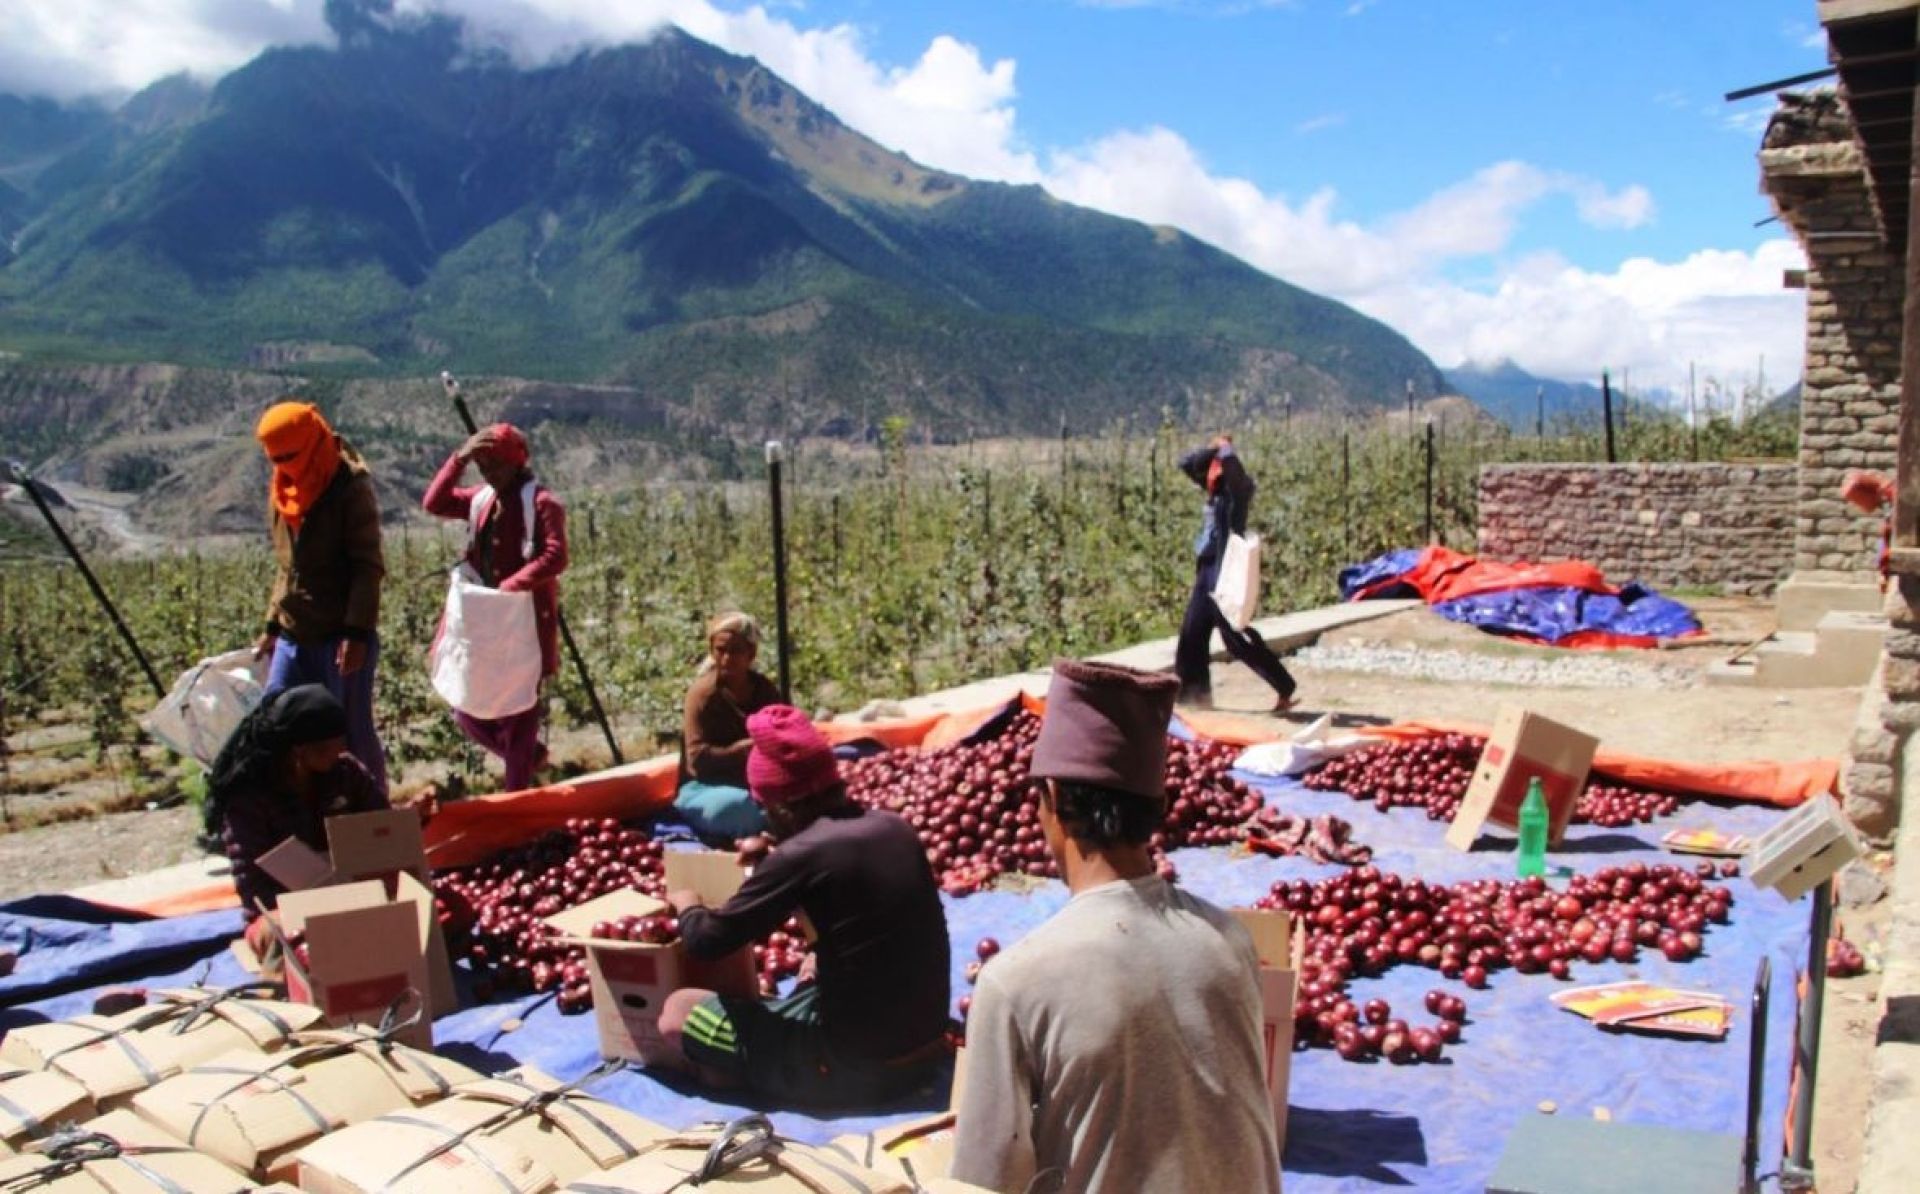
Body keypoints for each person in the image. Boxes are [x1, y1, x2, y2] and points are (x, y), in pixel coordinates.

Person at [950, 659, 1280, 1194]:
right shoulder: (1230, 939)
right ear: (1161, 807)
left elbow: (982, 1181)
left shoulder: (1016, 983)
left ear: (1052, 798)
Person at [659, 705, 952, 1106]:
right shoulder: (894, 827)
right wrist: (779, 858)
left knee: (677, 1014)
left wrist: (688, 904)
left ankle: (739, 1072)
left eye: (764, 808)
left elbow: (706, 942)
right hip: (929, 1044)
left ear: (779, 807)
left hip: (857, 1068)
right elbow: (837, 881)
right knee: (814, 966)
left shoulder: (800, 856)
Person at [422, 423, 569, 792]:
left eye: (496, 466)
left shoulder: (542, 503)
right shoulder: (481, 499)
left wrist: (511, 587)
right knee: (465, 707)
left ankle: (516, 794)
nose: (489, 474)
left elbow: (555, 555)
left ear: (516, 464)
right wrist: (459, 459)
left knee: (519, 713)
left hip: (523, 624)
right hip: (482, 624)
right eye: (483, 467)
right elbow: (434, 503)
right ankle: (526, 757)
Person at [253, 401, 387, 792]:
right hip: (296, 632)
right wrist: (273, 622)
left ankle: (373, 820)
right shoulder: (284, 490)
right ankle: (294, 814)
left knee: (349, 731)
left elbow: (367, 565)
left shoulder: (348, 485)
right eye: (274, 459)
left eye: (289, 456)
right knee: (276, 719)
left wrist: (357, 633)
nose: (282, 465)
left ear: (311, 442)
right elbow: (287, 566)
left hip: (340, 634)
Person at [206, 685, 389, 943]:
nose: (340, 750)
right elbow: (252, 883)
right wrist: (313, 908)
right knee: (291, 937)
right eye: (330, 745)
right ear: (298, 750)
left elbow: (383, 831)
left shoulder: (346, 773)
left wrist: (415, 817)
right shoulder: (249, 799)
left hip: (351, 896)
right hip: (286, 910)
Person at [1174, 435, 1297, 712]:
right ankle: (1194, 697)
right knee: (1192, 634)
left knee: (1234, 637)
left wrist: (1225, 452)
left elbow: (1237, 474)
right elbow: (1185, 463)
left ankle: (1284, 686)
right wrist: (1210, 450)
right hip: (1206, 567)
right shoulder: (1215, 491)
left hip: (1225, 569)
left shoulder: (1238, 491)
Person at [674, 612, 782, 840]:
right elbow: (697, 760)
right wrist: (740, 751)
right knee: (735, 807)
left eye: (735, 651)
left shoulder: (764, 690)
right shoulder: (703, 695)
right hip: (706, 788)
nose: (726, 659)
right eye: (720, 651)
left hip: (758, 784)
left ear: (751, 654)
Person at [1842, 468, 1896, 588]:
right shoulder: (1886, 499)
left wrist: (1884, 571)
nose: (1860, 506)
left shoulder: (1893, 495)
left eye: (1858, 499)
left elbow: (1888, 535)